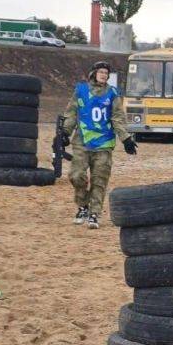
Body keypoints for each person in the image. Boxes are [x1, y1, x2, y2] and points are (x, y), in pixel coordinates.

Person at [62, 61, 138, 229]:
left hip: (104, 143)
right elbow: (71, 113)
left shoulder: (112, 94)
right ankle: (83, 206)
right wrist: (64, 133)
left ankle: (94, 214)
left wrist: (126, 139)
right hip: (82, 141)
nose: (104, 75)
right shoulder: (81, 91)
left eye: (106, 72)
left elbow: (118, 117)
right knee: (76, 176)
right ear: (94, 73)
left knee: (99, 180)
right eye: (101, 72)